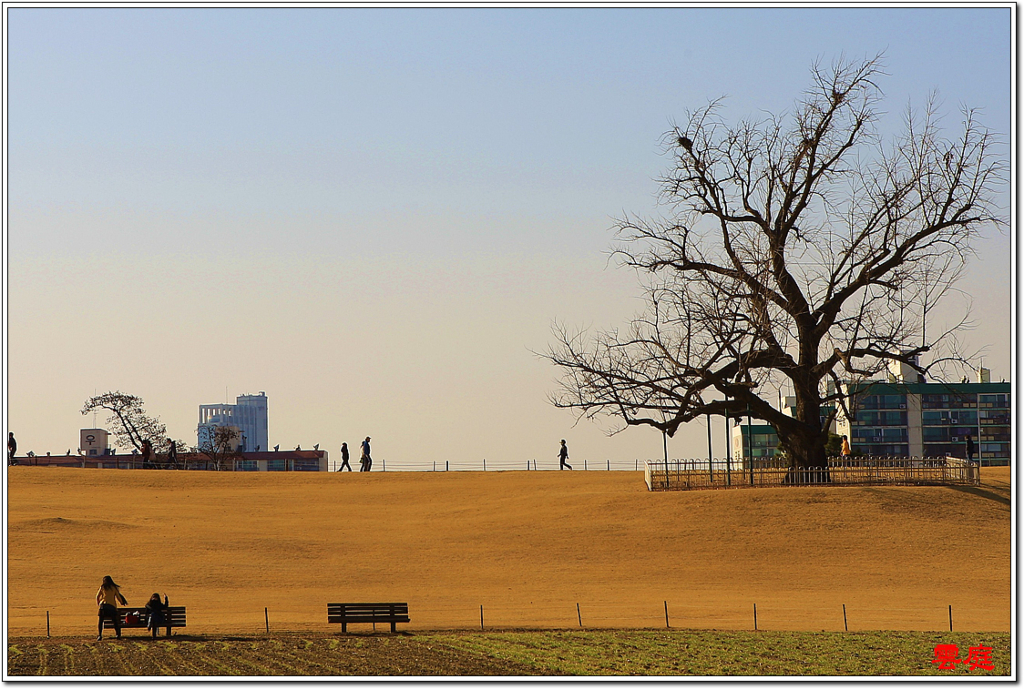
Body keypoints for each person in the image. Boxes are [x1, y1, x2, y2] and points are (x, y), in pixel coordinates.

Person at [96, 575, 128, 640]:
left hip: (103, 606)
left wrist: (99, 603)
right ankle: (118, 634)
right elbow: (118, 596)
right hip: (112, 606)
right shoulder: (114, 588)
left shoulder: (102, 587)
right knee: (115, 621)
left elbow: (97, 596)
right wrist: (122, 602)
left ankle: (100, 635)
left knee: (100, 621)